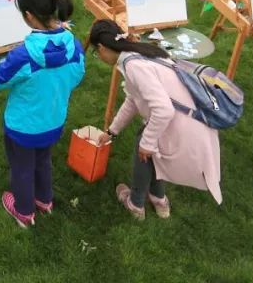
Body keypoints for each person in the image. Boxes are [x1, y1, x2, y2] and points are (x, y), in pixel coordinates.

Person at [0, 0, 85, 228]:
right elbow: (78, 75)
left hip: (22, 126)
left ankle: (24, 211)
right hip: (53, 120)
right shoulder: (73, 45)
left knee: (22, 168)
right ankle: (45, 200)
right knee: (43, 159)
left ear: (28, 16)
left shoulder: (24, 56)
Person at [89, 19, 223, 220]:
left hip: (181, 123)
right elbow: (133, 100)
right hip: (189, 118)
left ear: (101, 48)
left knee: (144, 148)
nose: (98, 56)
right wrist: (111, 132)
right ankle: (159, 200)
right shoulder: (139, 53)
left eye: (96, 52)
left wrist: (148, 142)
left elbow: (163, 110)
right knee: (150, 151)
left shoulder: (133, 66)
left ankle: (135, 204)